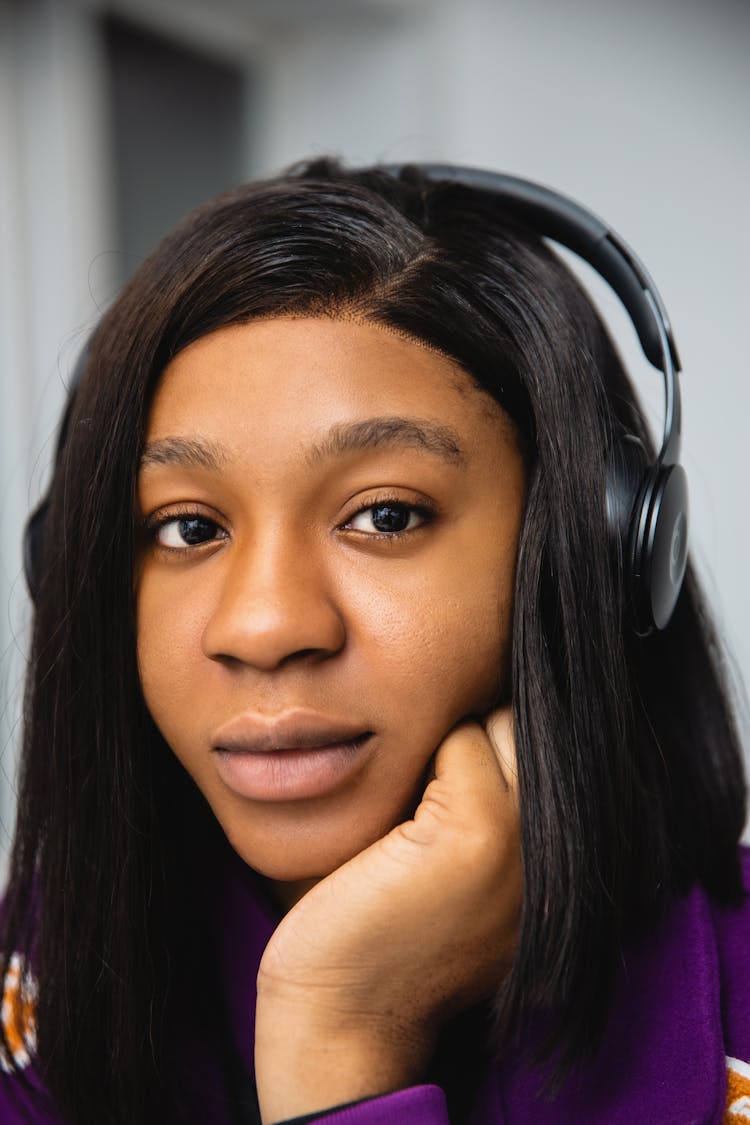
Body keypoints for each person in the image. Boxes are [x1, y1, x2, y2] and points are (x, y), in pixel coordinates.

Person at [0, 159, 747, 1125]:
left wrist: (339, 1029)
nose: (263, 627)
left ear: (595, 554)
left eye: (385, 515)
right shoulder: (39, 979)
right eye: (188, 527)